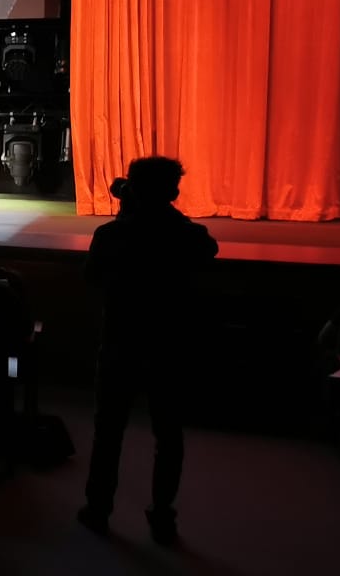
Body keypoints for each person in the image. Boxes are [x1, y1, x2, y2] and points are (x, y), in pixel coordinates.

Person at [76, 156, 218, 545]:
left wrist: (127, 219)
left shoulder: (110, 235)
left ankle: (98, 509)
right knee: (169, 436)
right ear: (174, 192)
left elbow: (91, 279)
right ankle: (162, 517)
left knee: (108, 433)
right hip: (169, 346)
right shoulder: (190, 235)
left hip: (120, 343)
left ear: (133, 191)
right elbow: (206, 250)